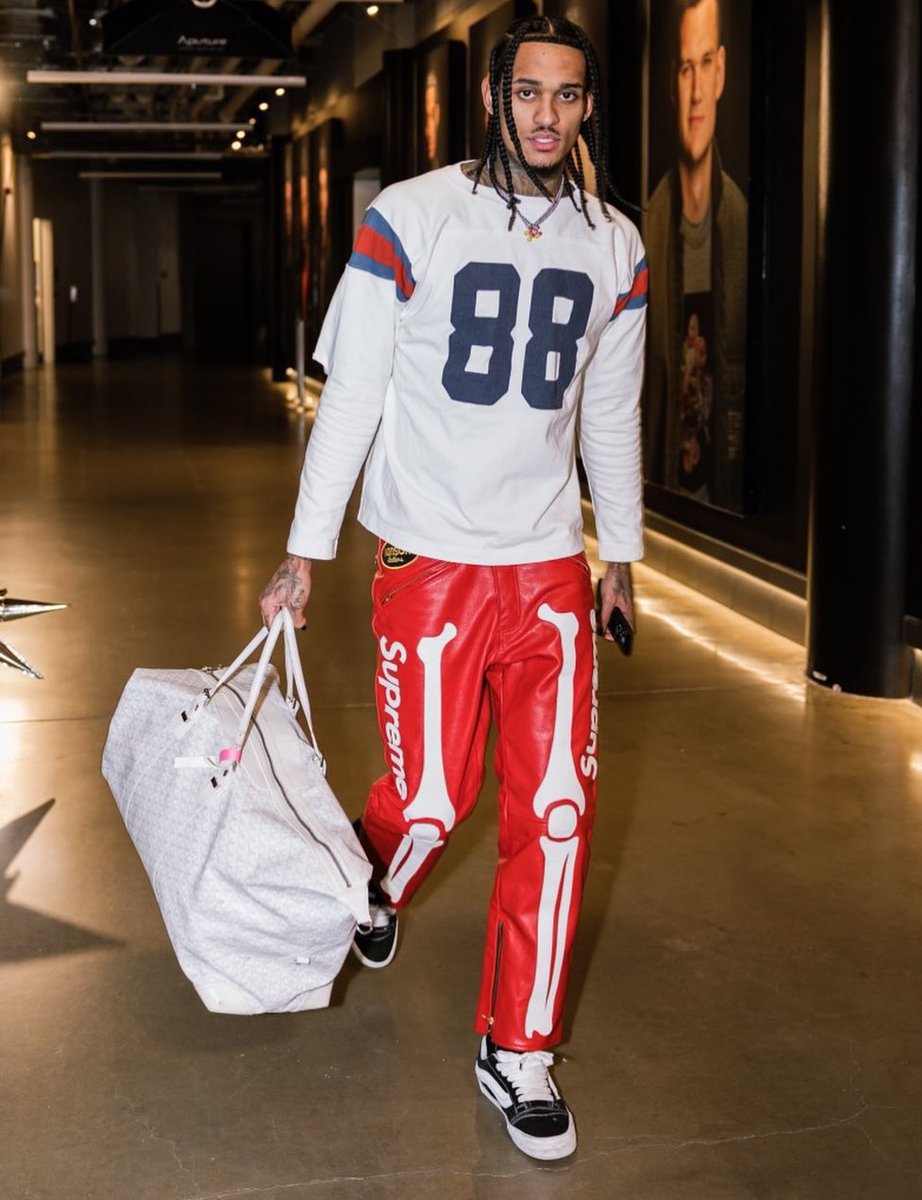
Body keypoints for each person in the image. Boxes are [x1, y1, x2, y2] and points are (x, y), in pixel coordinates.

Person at [259, 15, 647, 1162]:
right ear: (493, 95)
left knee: (559, 816)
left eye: (567, 96)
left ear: (586, 107)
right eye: (528, 92)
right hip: (428, 560)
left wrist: (616, 554)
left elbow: (610, 413)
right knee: (430, 798)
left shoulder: (615, 245)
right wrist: (303, 551)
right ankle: (368, 872)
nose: (546, 116)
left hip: (543, 571)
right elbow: (358, 400)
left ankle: (517, 1048)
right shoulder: (410, 218)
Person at [644, 0, 748, 510]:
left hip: (728, 504)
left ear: (723, 71)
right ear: (672, 82)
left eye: (707, 63)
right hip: (662, 502)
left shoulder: (742, 223)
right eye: (687, 67)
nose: (697, 90)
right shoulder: (646, 229)